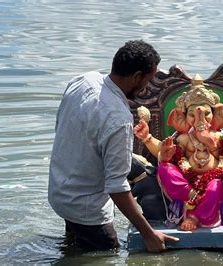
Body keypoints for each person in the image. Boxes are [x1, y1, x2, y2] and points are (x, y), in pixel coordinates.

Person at [48, 40, 178, 252]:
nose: (146, 88)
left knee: (73, 251)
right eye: (147, 80)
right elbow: (117, 187)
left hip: (60, 192)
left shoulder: (83, 80)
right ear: (136, 77)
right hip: (88, 210)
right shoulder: (118, 118)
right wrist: (149, 234)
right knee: (107, 255)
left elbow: (61, 126)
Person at [133, 75, 223, 231]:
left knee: (216, 187)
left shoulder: (220, 136)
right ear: (182, 117)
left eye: (206, 114)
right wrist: (147, 139)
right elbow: (163, 150)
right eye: (193, 114)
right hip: (186, 185)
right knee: (165, 168)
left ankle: (195, 216)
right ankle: (192, 196)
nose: (201, 118)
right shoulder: (183, 137)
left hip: (214, 179)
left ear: (217, 114)